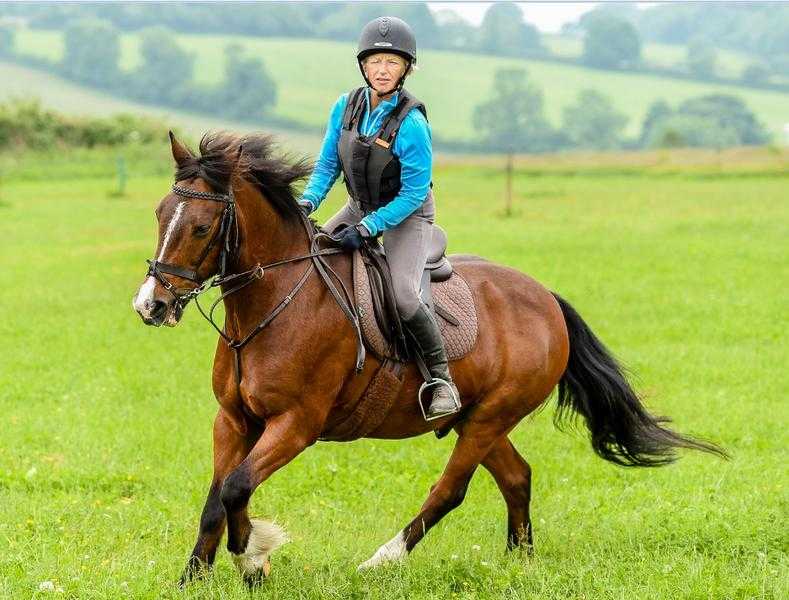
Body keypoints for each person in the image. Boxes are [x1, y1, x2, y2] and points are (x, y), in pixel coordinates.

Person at [297, 16, 459, 420]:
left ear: (406, 69)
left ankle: (441, 380)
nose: (382, 70)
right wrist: (308, 203)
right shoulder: (345, 106)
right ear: (363, 66)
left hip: (408, 216)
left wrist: (369, 228)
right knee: (307, 256)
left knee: (405, 295)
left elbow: (413, 193)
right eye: (375, 62)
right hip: (359, 204)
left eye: (392, 62)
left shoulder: (413, 124)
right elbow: (327, 165)